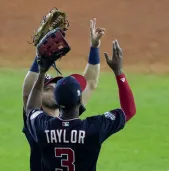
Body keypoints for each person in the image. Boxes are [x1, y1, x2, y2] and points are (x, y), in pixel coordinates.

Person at [26, 39, 136, 171]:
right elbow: (129, 111)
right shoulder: (94, 128)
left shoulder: (43, 127)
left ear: (58, 101)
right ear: (80, 102)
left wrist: (42, 72)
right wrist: (119, 72)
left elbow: (31, 109)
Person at [22, 18, 105, 171]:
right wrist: (40, 58)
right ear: (39, 96)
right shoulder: (35, 122)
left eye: (57, 88)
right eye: (48, 89)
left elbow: (91, 83)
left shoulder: (69, 112)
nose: (54, 90)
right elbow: (28, 92)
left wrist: (94, 47)